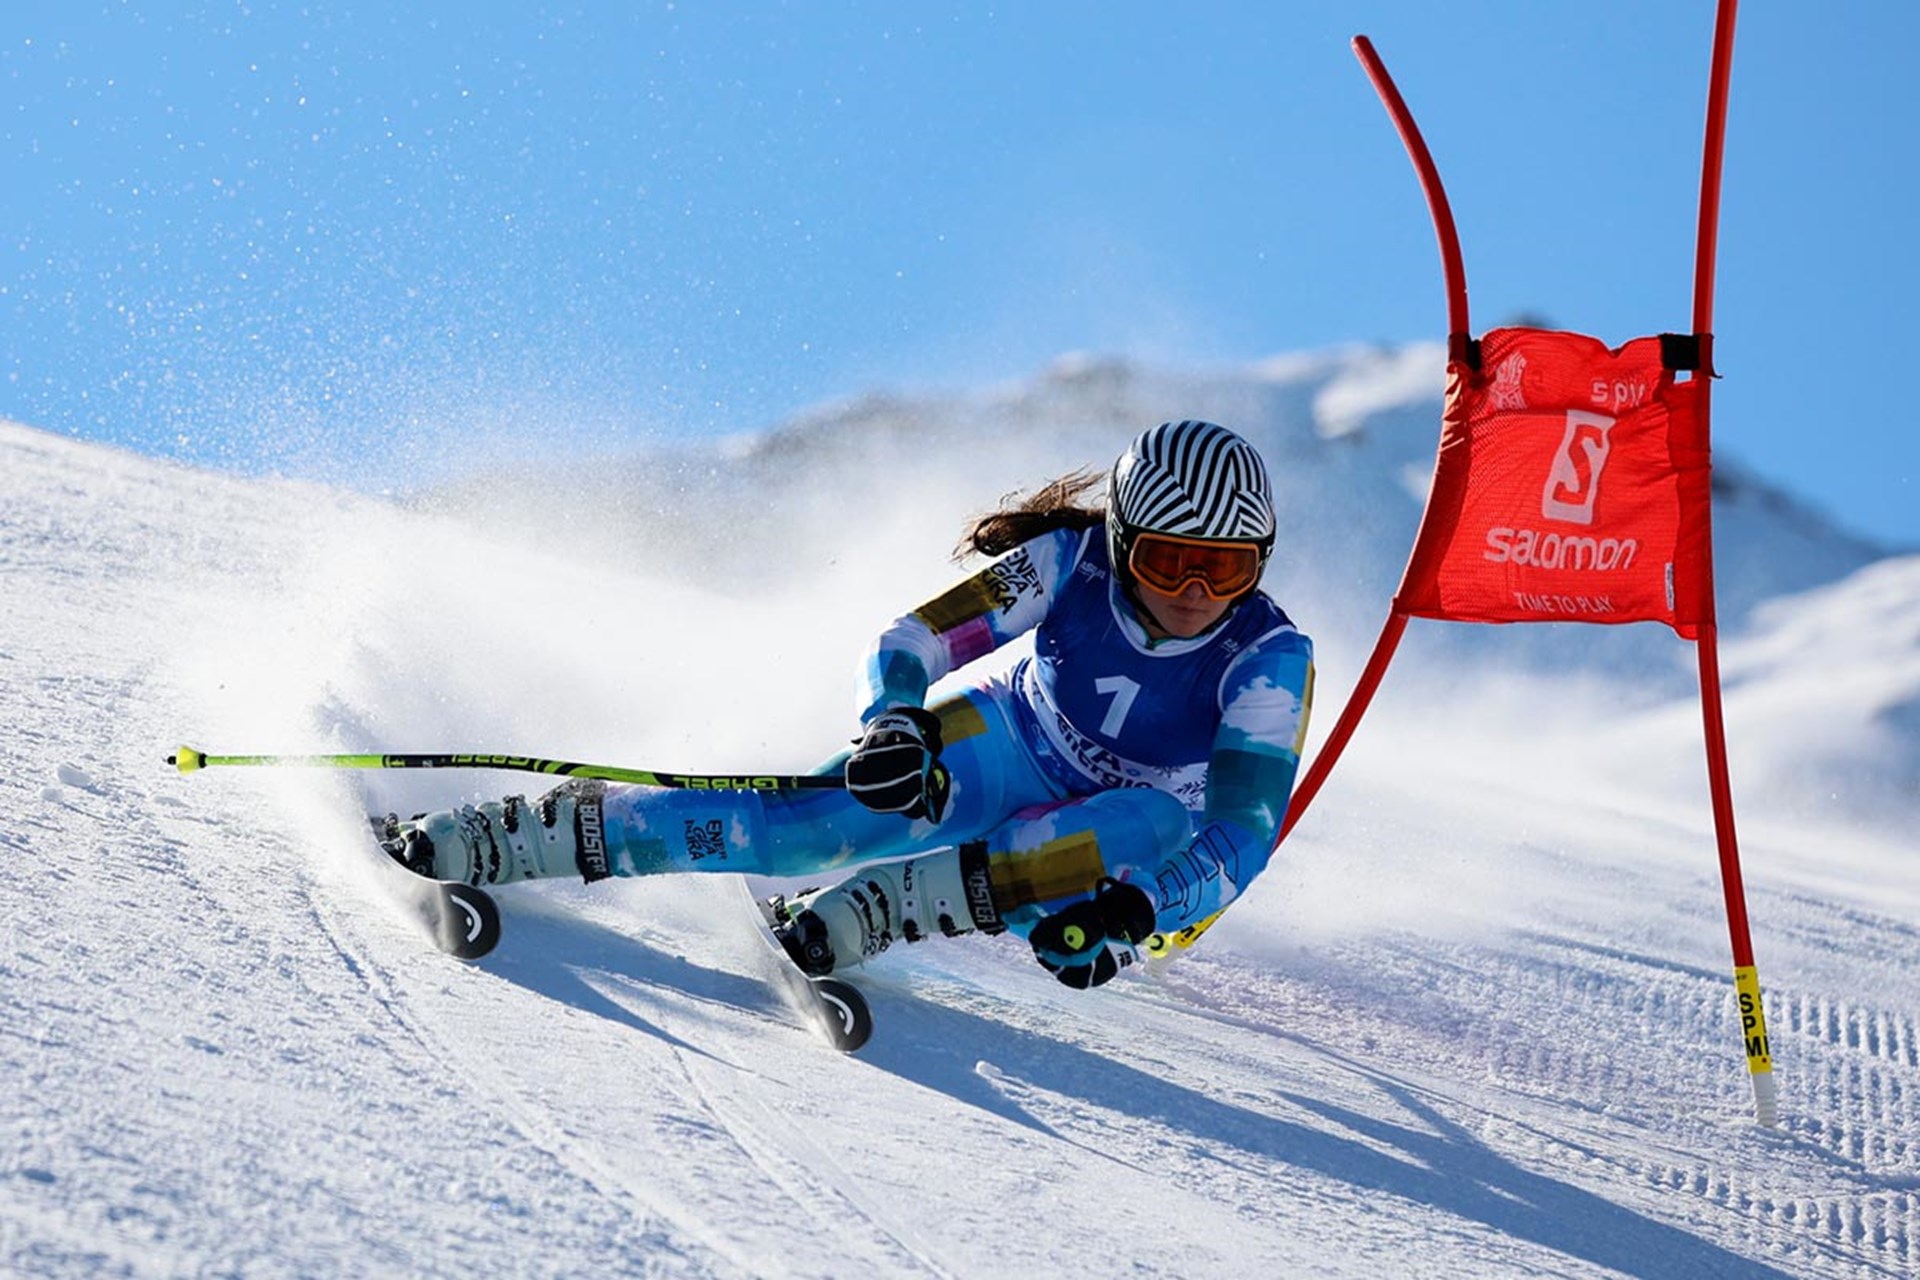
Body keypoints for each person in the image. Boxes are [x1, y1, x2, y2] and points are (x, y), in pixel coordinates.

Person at [386, 419, 1315, 989]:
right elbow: (914, 639)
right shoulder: (1068, 563)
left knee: (1150, 823)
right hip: (1008, 739)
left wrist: (1140, 914)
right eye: (1168, 560)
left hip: (1121, 836)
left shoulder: (1267, 658)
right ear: (1121, 539)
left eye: (1227, 567)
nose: (1196, 591)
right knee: (802, 833)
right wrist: (893, 722)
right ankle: (526, 834)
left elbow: (1242, 831)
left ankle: (886, 908)